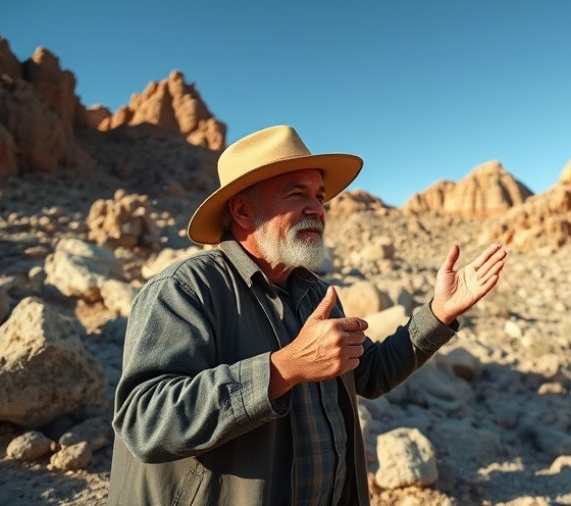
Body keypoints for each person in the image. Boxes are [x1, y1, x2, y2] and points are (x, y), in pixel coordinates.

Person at [108, 125, 506, 505]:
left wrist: (438, 313)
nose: (317, 207)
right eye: (297, 194)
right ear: (244, 211)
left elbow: (370, 373)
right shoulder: (186, 290)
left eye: (319, 195)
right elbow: (144, 420)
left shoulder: (311, 292)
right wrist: (284, 368)